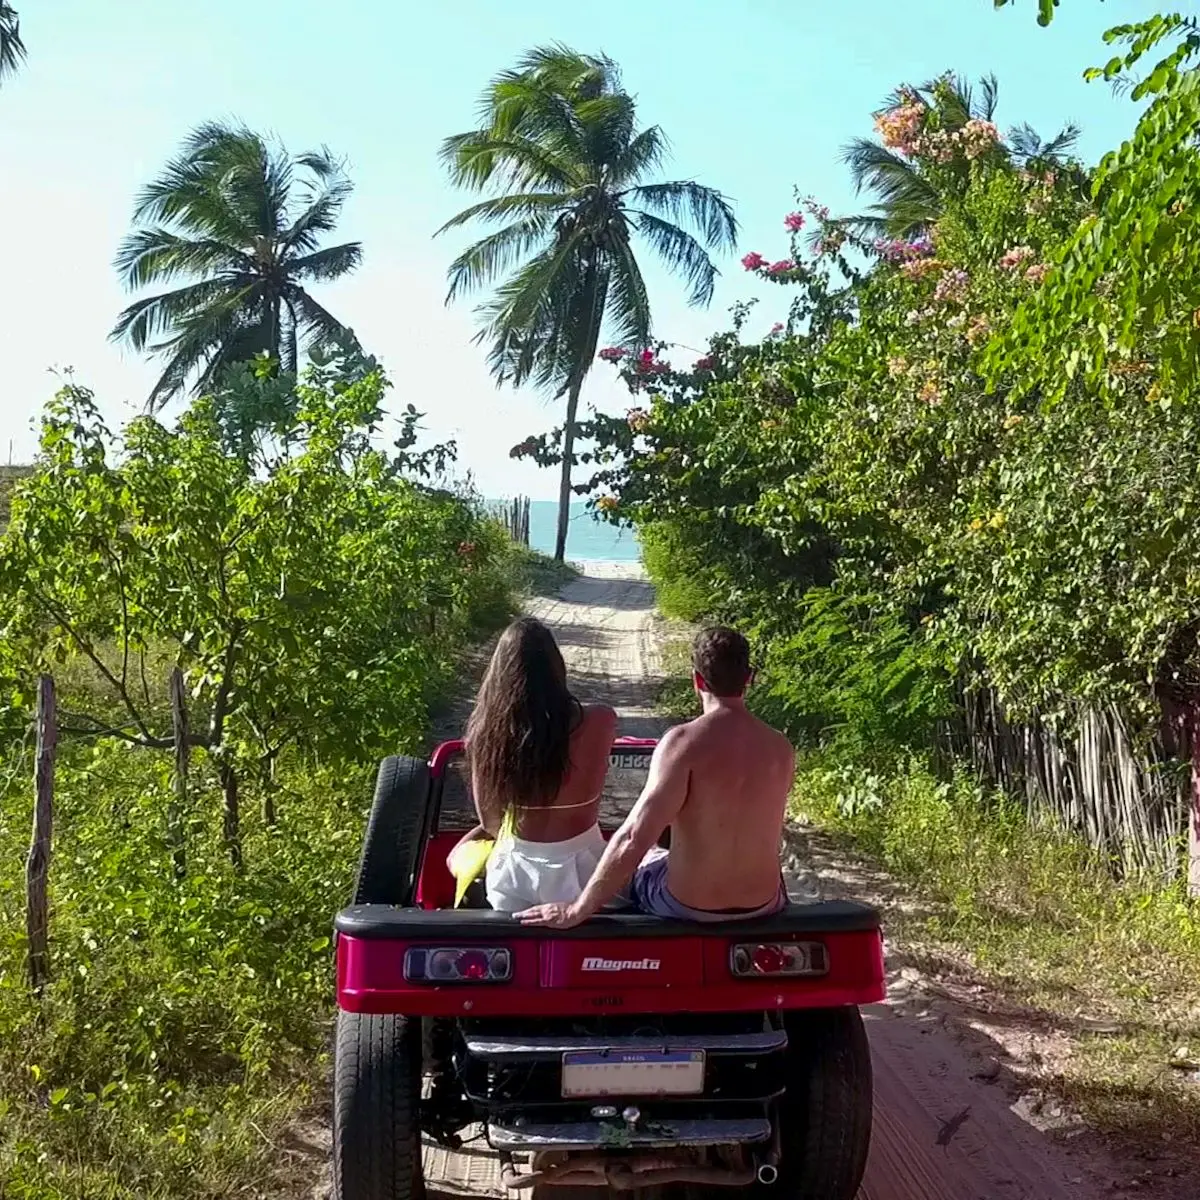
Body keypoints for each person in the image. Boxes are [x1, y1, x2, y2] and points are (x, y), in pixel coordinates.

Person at [516, 626, 793, 928]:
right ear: (749, 677)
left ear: (697, 679)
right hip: (764, 904)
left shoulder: (683, 744)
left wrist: (576, 911)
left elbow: (635, 836)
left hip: (688, 905)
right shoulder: (780, 747)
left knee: (648, 857)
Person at [452, 616, 617, 913]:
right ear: (556, 666)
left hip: (515, 873)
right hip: (584, 869)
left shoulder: (484, 733)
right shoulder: (600, 720)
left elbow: (490, 823)